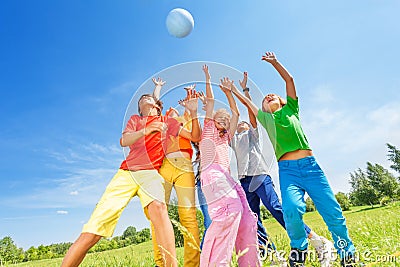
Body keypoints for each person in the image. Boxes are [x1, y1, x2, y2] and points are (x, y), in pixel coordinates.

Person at [231, 52, 358, 267]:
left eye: (272, 95)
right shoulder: (265, 119)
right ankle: (299, 251)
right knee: (290, 209)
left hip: (311, 168)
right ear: (263, 109)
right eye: (265, 98)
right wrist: (237, 90)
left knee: (332, 211)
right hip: (288, 170)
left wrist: (275, 63)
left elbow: (289, 80)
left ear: (282, 101)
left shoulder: (292, 109)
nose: (269, 95)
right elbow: (247, 104)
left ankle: (347, 255)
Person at [60, 92, 200, 267]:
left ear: (157, 105)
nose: (144, 99)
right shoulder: (135, 120)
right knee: (94, 230)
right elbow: (124, 140)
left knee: (159, 207)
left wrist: (193, 113)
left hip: (151, 173)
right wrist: (146, 130)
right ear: (140, 109)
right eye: (141, 100)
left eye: (148, 98)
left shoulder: (167, 122)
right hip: (127, 173)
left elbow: (195, 137)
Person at [199, 65, 260, 267]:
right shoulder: (208, 130)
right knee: (229, 212)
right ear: (213, 120)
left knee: (246, 218)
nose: (224, 120)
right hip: (212, 174)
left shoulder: (226, 138)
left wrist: (229, 93)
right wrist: (208, 77)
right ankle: (214, 263)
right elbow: (209, 102)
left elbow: (234, 112)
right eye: (220, 118)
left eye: (226, 120)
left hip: (227, 177)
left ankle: (249, 263)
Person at [150, 78, 200, 267]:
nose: (172, 110)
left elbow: (190, 108)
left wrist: (190, 91)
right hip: (163, 167)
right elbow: (154, 106)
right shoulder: (162, 124)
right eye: (168, 110)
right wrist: (158, 87)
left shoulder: (183, 121)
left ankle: (192, 264)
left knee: (188, 215)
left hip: (183, 165)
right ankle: (161, 263)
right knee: (157, 214)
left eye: (174, 110)